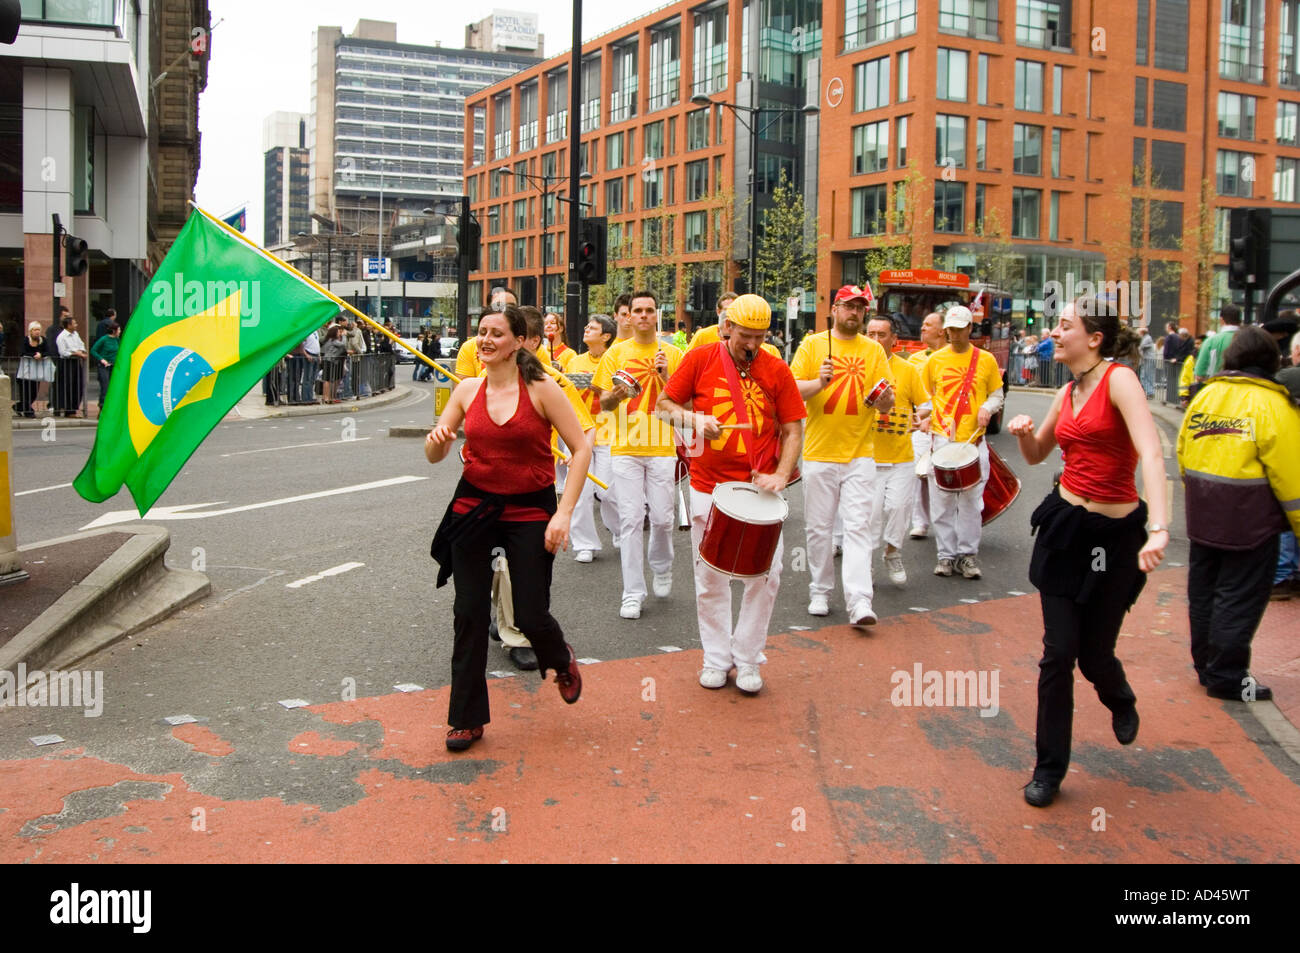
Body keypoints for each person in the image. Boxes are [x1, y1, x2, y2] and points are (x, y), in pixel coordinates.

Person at [1007, 296, 1169, 808]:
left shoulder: (1118, 380)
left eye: (1065, 326)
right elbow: (1037, 457)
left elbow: (1151, 451)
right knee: (1058, 654)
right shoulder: (1066, 389)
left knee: (1095, 655)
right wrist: (1027, 435)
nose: (1055, 333)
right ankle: (1048, 769)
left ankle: (1119, 697)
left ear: (1094, 338)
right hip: (1065, 528)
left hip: (1115, 538)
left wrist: (1161, 528)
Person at [426, 303, 590, 752]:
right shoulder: (465, 390)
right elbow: (434, 454)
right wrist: (436, 442)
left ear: (519, 341)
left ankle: (560, 659)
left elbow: (580, 450)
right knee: (470, 613)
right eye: (481, 332)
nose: (485, 340)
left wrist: (564, 512)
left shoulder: (542, 389)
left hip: (529, 507)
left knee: (532, 613)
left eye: (496, 333)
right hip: (475, 504)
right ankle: (466, 718)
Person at [657, 294, 806, 693]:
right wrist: (692, 418)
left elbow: (793, 428)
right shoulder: (700, 358)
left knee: (767, 576)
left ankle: (748, 657)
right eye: (745, 336)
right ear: (727, 327)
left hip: (760, 489)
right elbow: (663, 405)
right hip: (709, 486)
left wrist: (782, 473)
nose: (752, 344)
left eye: (759, 336)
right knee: (710, 578)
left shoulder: (776, 368)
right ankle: (716, 658)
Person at [1177, 326, 1300, 702]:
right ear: (1271, 360)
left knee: (1204, 593)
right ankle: (1227, 676)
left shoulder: (1207, 395)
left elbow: (1183, 450)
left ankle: (1206, 665)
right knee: (1239, 597)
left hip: (1203, 516)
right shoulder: (1274, 405)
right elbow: (1291, 477)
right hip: (1250, 523)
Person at [789, 285, 895, 625]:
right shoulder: (812, 345)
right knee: (819, 529)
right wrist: (819, 383)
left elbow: (888, 398)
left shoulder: (874, 350)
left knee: (858, 527)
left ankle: (860, 600)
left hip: (860, 453)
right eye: (849, 306)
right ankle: (820, 589)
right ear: (835, 309)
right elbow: (791, 391)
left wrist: (884, 400)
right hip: (819, 452)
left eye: (860, 308)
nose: (855, 313)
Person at [593, 290, 684, 619]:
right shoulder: (615, 354)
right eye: (638, 311)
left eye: (649, 310)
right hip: (625, 448)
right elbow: (601, 403)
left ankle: (662, 565)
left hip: (661, 446)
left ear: (656, 315)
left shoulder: (672, 354)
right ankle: (632, 592)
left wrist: (666, 377)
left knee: (662, 518)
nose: (643, 316)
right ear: (628, 316)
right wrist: (615, 395)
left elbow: (684, 405)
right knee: (631, 520)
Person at [919, 305, 1005, 579]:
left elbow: (996, 394)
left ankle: (968, 555)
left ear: (970, 328)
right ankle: (945, 555)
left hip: (973, 441)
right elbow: (926, 399)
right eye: (950, 330)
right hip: (943, 440)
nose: (954, 335)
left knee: (971, 502)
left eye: (959, 329)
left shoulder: (986, 360)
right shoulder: (934, 361)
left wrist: (988, 409)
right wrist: (923, 417)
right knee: (942, 501)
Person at [865, 316, 931, 588]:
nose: (876, 340)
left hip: (901, 455)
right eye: (871, 334)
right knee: (869, 515)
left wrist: (921, 416)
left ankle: (892, 551)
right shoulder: (859, 367)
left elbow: (925, 403)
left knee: (899, 507)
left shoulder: (907, 369)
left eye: (882, 335)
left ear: (894, 339)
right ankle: (864, 563)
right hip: (865, 456)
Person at [565, 314, 620, 562]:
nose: (586, 329)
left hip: (609, 431)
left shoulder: (616, 359)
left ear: (606, 336)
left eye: (593, 327)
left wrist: (599, 387)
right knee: (580, 492)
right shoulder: (575, 362)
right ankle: (584, 543)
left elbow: (624, 393)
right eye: (586, 326)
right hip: (579, 432)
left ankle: (621, 530)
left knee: (607, 490)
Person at [908, 311, 944, 540]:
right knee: (918, 474)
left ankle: (946, 523)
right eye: (922, 324)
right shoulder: (914, 360)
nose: (922, 328)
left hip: (945, 427)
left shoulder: (952, 357)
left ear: (942, 330)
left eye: (928, 324)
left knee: (941, 477)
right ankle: (920, 521)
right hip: (921, 426)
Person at [1194, 304, 1241, 382]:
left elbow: (1199, 375)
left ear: (1221, 320)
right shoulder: (1250, 341)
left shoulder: (1210, 341)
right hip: (1244, 391)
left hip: (1217, 388)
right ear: (1240, 321)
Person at [54, 314, 88, 418]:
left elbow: (81, 345)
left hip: (76, 362)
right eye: (74, 323)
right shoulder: (62, 337)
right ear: (68, 325)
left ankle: (74, 408)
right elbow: (63, 352)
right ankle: (67, 409)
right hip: (66, 363)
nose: (76, 325)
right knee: (67, 386)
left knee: (77, 385)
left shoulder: (75, 334)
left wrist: (81, 351)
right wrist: (76, 353)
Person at [15, 322, 50, 417]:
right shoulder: (26, 340)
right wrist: (34, 355)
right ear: (30, 331)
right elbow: (22, 352)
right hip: (24, 372)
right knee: (25, 393)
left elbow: (48, 351)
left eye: (38, 330)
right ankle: (29, 412)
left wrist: (41, 355)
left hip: (36, 372)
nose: (37, 332)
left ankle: (18, 407)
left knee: (34, 393)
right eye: (35, 330)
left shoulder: (43, 340)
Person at [89, 320, 120, 414]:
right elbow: (93, 350)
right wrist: (101, 359)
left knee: (112, 387)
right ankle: (102, 407)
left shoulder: (117, 340)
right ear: (114, 331)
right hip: (104, 366)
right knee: (105, 387)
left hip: (113, 366)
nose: (120, 331)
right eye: (119, 330)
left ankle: (110, 408)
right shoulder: (104, 339)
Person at [320, 325, 347, 403]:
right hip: (329, 361)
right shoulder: (332, 340)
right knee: (327, 380)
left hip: (331, 361)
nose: (340, 333)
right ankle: (326, 397)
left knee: (332, 379)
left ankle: (330, 397)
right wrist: (344, 336)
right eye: (338, 332)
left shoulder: (329, 340)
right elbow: (343, 344)